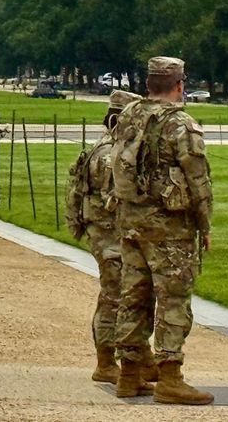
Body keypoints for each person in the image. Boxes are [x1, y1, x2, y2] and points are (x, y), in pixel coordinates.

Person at [111, 56, 214, 405]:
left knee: (133, 296)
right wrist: (205, 223)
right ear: (180, 84)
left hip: (130, 222)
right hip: (169, 228)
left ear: (149, 83)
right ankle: (170, 376)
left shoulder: (129, 115)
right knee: (173, 301)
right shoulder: (181, 124)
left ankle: (129, 373)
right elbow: (197, 179)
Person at [66, 89, 146, 385]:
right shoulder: (111, 154)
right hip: (110, 236)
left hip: (105, 233)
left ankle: (136, 356)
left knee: (123, 295)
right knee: (114, 297)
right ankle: (105, 361)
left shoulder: (104, 147)